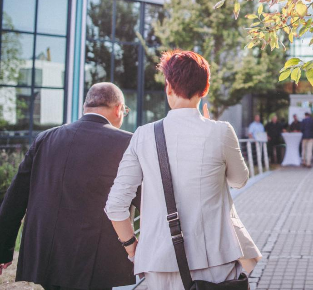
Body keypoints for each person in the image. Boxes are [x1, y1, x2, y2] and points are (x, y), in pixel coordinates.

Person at [105, 50, 261, 289]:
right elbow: (239, 180)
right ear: (205, 88)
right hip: (216, 260)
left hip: (159, 262)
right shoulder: (221, 131)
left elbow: (116, 204)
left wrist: (132, 247)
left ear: (168, 86)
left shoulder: (143, 135)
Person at [0, 83, 138, 290]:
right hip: (103, 262)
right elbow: (148, 198)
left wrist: (3, 250)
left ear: (85, 107)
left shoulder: (44, 139)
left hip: (50, 258)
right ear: (119, 108)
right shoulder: (129, 143)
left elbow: (15, 197)